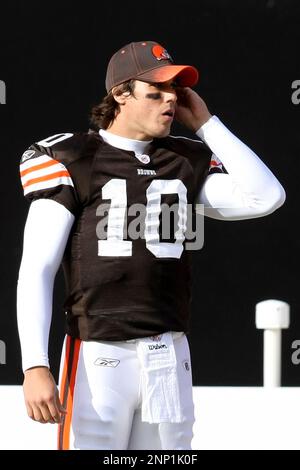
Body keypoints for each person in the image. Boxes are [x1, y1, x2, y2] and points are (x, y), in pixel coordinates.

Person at [17, 40, 286, 451]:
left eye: (175, 92)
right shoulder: (71, 157)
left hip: (168, 352)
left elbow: (265, 197)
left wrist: (207, 124)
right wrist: (35, 363)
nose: (170, 101)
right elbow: (38, 267)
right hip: (99, 355)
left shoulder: (183, 159)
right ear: (120, 94)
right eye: (155, 92)